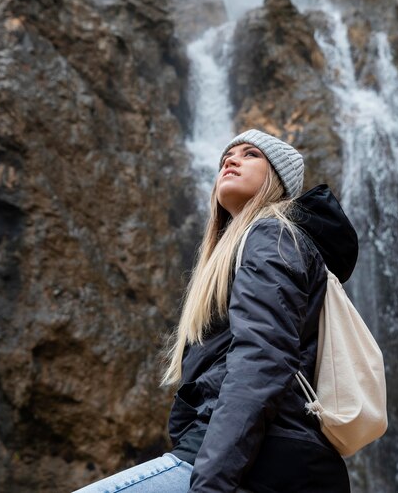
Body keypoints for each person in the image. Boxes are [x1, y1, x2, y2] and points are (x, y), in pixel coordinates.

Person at [73, 129, 358, 493]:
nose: (231, 159)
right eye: (227, 155)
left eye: (251, 154)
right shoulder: (255, 248)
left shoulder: (271, 236)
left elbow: (262, 360)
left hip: (252, 465)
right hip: (267, 462)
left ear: (278, 178)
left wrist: (211, 484)